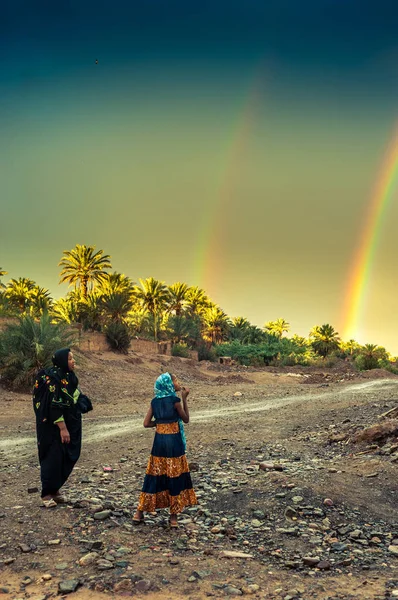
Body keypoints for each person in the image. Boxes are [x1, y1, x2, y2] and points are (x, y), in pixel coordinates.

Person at [133, 372, 198, 528]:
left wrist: (161, 423)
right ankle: (173, 518)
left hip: (159, 444)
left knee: (153, 475)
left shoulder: (154, 402)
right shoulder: (175, 401)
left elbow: (146, 423)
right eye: (175, 380)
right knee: (174, 475)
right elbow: (186, 419)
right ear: (169, 384)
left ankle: (139, 513)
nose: (178, 382)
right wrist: (184, 398)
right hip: (174, 444)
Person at [33, 348, 92, 508]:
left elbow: (73, 395)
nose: (73, 362)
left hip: (68, 423)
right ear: (61, 361)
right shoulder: (53, 379)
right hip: (53, 428)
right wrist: (63, 428)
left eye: (73, 358)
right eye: (70, 359)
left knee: (65, 456)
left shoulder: (69, 377)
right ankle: (46, 495)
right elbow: (54, 406)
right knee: (53, 458)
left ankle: (55, 490)